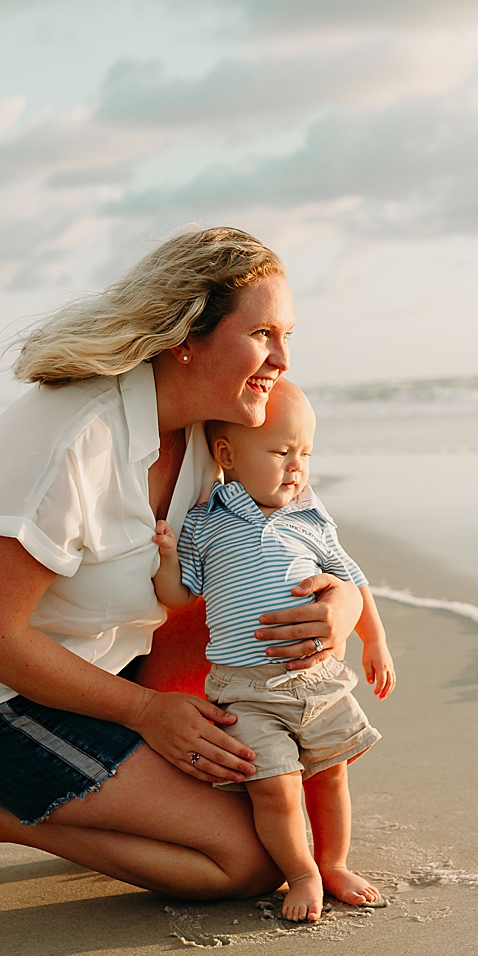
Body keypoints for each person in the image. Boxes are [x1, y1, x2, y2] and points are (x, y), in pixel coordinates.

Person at [0, 226, 364, 918]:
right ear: (186, 334)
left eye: (286, 334)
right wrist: (150, 714)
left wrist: (344, 604)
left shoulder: (222, 433)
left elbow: (314, 543)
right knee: (246, 861)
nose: (283, 359)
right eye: (263, 332)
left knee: (294, 814)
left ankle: (93, 789)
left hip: (107, 671)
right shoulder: (68, 436)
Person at [151, 380, 396, 922]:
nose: (296, 466)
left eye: (305, 453)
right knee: (275, 787)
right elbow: (178, 595)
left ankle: (333, 862)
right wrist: (167, 557)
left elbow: (351, 579)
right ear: (227, 455)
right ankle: (302, 871)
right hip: (245, 688)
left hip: (319, 680)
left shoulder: (311, 517)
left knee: (332, 773)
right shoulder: (206, 520)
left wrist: (373, 640)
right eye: (282, 451)